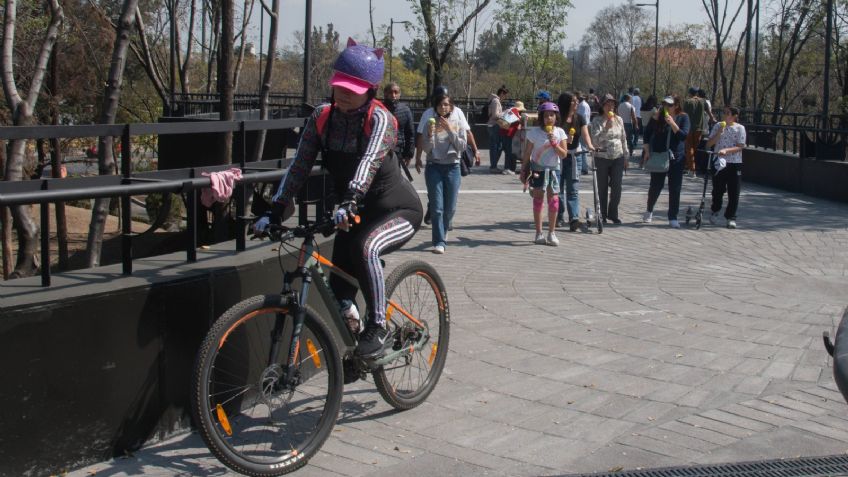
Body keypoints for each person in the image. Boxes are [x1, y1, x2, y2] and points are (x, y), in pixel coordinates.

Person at [253, 38, 423, 359]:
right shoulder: (322, 116)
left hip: (397, 209)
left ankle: (378, 326)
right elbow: (299, 165)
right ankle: (357, 348)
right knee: (340, 292)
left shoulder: (381, 119)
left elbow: (368, 162)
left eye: (353, 89)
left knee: (367, 248)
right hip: (353, 213)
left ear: (371, 91)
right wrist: (275, 209)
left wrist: (351, 197)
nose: (344, 93)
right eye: (340, 86)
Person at [415, 85, 477, 227]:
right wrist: (418, 157)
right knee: (436, 194)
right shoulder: (428, 114)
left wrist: (475, 149)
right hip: (434, 161)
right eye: (439, 102)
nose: (443, 106)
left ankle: (446, 218)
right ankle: (434, 210)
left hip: (452, 160)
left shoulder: (458, 113)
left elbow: (467, 132)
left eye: (446, 103)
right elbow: (420, 136)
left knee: (449, 197)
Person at [417, 90, 467, 254]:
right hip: (434, 167)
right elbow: (426, 148)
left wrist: (450, 130)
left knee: (450, 208)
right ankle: (439, 241)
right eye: (440, 105)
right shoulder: (430, 123)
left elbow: (462, 146)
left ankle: (444, 230)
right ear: (436, 107)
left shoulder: (458, 121)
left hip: (453, 167)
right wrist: (430, 135)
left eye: (446, 104)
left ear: (451, 106)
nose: (443, 107)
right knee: (437, 208)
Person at [519, 102, 569, 246]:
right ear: (541, 117)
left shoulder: (560, 132)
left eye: (552, 115)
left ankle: (552, 233)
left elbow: (564, 154)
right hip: (538, 170)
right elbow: (527, 152)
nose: (549, 118)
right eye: (546, 116)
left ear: (556, 117)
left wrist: (555, 144)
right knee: (538, 200)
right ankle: (538, 232)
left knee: (554, 201)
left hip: (554, 170)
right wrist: (523, 169)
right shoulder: (534, 132)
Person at [642, 95, 690, 228]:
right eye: (664, 104)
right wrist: (647, 151)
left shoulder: (683, 117)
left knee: (675, 188)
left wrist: (673, 123)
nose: (666, 107)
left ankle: (673, 217)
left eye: (670, 105)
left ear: (676, 106)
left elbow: (683, 136)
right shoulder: (658, 116)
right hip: (659, 156)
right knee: (655, 186)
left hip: (676, 157)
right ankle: (649, 210)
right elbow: (646, 134)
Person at [556, 91, 596, 231]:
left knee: (573, 189)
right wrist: (564, 140)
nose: (577, 103)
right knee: (558, 188)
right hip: (559, 156)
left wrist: (590, 146)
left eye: (576, 101)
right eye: (573, 101)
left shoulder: (579, 118)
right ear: (566, 103)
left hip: (575, 156)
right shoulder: (557, 119)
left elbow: (585, 134)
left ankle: (574, 218)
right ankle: (558, 215)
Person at [590, 94, 629, 224]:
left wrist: (626, 156)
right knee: (602, 188)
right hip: (602, 157)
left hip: (618, 157)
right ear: (602, 106)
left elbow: (623, 138)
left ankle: (613, 213)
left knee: (617, 187)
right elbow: (595, 141)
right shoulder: (596, 121)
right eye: (607, 104)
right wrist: (606, 128)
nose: (610, 106)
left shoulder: (619, 119)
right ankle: (601, 214)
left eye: (612, 104)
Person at [705, 106, 746, 229]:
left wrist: (726, 150)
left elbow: (740, 146)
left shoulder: (740, 128)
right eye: (724, 113)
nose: (725, 115)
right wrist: (719, 134)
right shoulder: (718, 126)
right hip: (719, 162)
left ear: (734, 116)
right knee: (718, 189)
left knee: (734, 191)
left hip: (734, 162)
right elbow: (709, 144)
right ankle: (715, 210)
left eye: (728, 113)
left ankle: (731, 217)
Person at [383, 82, 415, 174]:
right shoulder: (379, 109)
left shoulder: (405, 110)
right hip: (380, 151)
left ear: (399, 94)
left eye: (396, 92)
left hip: (397, 151)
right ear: (385, 94)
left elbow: (410, 133)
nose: (393, 95)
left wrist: (409, 154)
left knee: (394, 177)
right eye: (390, 92)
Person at [683, 86, 706, 176]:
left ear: (690, 93)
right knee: (694, 149)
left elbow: (683, 114)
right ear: (697, 93)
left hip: (688, 128)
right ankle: (689, 167)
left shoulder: (687, 102)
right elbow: (709, 112)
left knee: (689, 148)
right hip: (699, 128)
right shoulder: (703, 101)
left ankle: (692, 169)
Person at [500, 100, 527, 174]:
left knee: (508, 151)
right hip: (508, 134)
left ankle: (507, 168)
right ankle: (507, 168)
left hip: (504, 133)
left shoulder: (509, 110)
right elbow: (519, 120)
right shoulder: (515, 111)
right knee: (509, 151)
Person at [487, 85, 509, 172]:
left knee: (496, 146)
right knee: (496, 146)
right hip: (494, 125)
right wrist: (505, 113)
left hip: (493, 125)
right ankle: (493, 166)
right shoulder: (496, 101)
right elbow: (495, 115)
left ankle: (493, 165)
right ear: (502, 93)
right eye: (505, 95)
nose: (505, 97)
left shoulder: (494, 100)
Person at [617, 94, 638, 160]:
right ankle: (631, 152)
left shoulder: (619, 105)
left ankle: (621, 151)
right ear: (629, 99)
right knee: (629, 139)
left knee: (621, 139)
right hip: (628, 124)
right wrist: (636, 125)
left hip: (620, 124)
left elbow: (617, 114)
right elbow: (633, 117)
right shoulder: (631, 106)